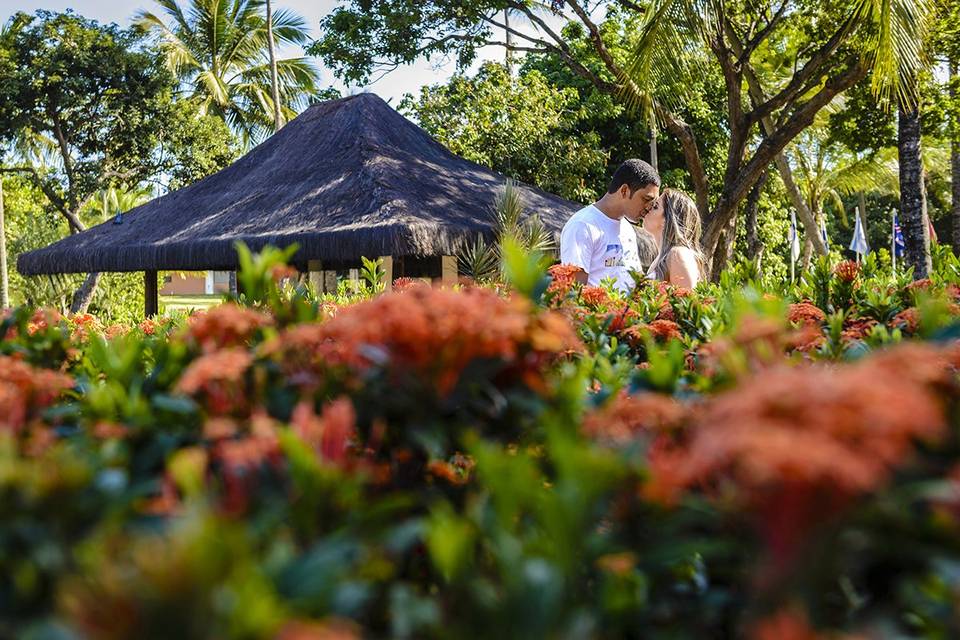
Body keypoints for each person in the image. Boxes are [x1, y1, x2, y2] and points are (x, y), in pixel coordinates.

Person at [559, 159, 660, 292]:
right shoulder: (582, 225)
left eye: (653, 203)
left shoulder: (627, 229)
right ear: (624, 190)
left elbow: (634, 282)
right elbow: (573, 291)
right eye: (646, 199)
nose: (649, 208)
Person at [641, 188, 706, 288]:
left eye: (655, 207)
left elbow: (688, 301)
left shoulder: (678, 254)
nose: (648, 209)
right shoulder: (661, 258)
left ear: (667, 219)